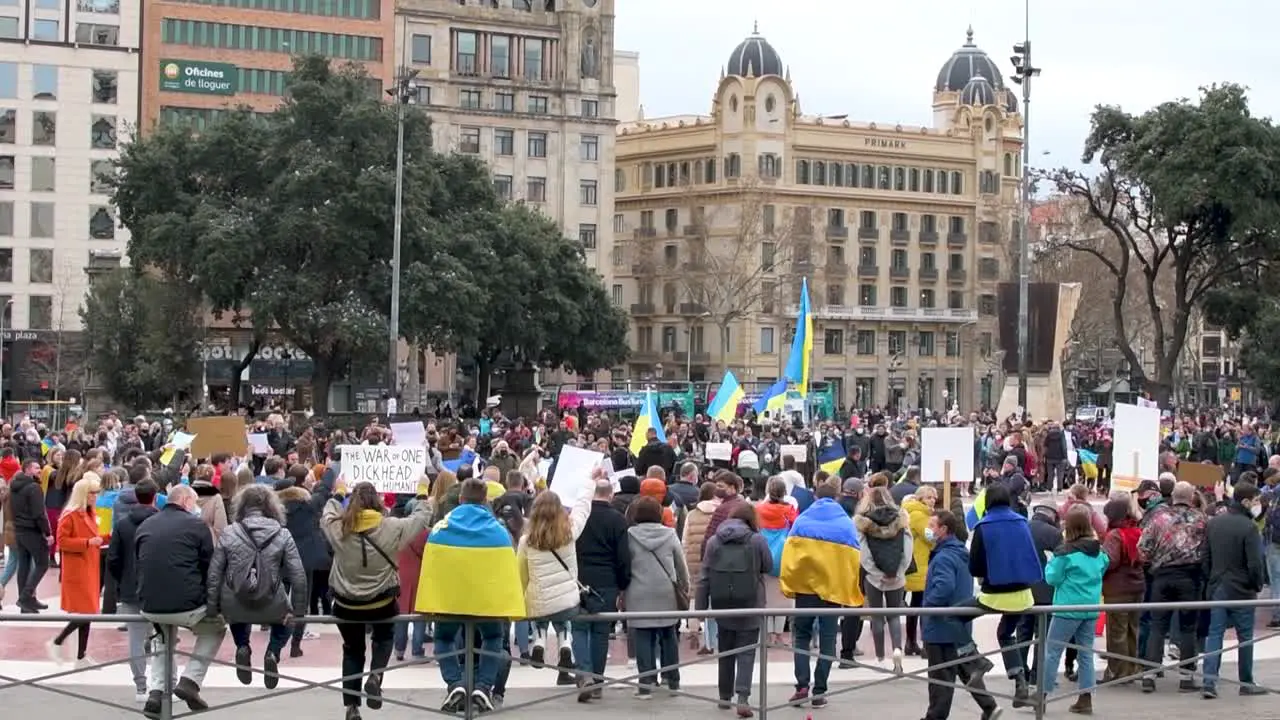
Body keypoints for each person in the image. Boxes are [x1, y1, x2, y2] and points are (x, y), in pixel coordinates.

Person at [322, 480, 432, 720]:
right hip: (381, 602)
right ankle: (375, 676)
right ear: (378, 502)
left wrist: (338, 492)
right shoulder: (392, 527)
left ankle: (352, 706)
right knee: (383, 638)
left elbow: (327, 513)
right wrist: (422, 494)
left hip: (346, 603)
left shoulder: (339, 528)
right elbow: (422, 518)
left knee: (352, 651)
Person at [417, 477, 524, 714]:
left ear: (461, 499)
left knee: (444, 639)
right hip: (487, 603)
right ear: (485, 500)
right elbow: (507, 570)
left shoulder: (440, 529)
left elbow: (431, 568)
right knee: (493, 638)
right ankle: (483, 687)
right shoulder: (499, 532)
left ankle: (455, 683)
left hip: (450, 601)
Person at [135, 484, 226, 719]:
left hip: (149, 604)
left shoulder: (146, 525)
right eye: (195, 503)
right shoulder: (197, 526)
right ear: (186, 501)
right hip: (188, 605)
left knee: (162, 638)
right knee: (215, 629)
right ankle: (191, 680)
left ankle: (156, 690)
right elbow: (211, 567)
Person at [209, 484, 307, 689]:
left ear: (242, 506)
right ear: (272, 507)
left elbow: (214, 573)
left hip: (235, 602)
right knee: (285, 624)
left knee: (238, 613)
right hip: (273, 601)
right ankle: (273, 652)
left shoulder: (229, 532)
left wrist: (213, 609)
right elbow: (298, 576)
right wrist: (298, 612)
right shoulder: (282, 534)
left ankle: (242, 646)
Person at [780, 481, 863, 708]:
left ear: (816, 496)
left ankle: (802, 685)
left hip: (805, 590)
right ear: (836, 497)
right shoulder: (845, 524)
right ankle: (819, 690)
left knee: (802, 637)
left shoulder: (802, 520)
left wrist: (792, 584)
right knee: (827, 640)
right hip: (832, 591)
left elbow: (790, 556)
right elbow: (854, 559)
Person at [921, 510, 1000, 720]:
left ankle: (934, 718)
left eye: (932, 525)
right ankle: (989, 707)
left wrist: (926, 605)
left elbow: (944, 587)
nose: (928, 529)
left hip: (940, 626)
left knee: (941, 679)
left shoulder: (944, 557)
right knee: (965, 670)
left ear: (944, 529)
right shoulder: (960, 553)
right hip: (959, 624)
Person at [517, 481, 593, 686]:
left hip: (539, 600)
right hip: (567, 599)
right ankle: (565, 646)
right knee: (564, 620)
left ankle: (539, 642)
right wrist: (590, 482)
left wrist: (520, 599)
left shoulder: (526, 541)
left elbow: (521, 574)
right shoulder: (569, 534)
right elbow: (582, 509)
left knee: (541, 616)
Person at [699, 502, 771, 717]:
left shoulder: (714, 541)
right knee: (746, 651)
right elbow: (767, 565)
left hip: (722, 603)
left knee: (726, 649)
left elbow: (704, 575)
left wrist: (701, 608)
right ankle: (743, 697)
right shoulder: (756, 539)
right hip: (750, 603)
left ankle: (724, 696)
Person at [1137, 480, 1206, 693]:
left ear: (1173, 496)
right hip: (1190, 576)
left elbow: (1143, 548)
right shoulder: (1201, 519)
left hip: (1162, 576)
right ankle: (1187, 676)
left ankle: (1150, 674)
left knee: (1158, 625)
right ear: (1192, 496)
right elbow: (1206, 549)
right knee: (1187, 627)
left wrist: (1150, 565)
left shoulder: (1158, 518)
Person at [1200, 481, 1268, 699]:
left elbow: (1205, 557)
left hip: (1218, 585)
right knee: (1245, 636)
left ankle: (1209, 681)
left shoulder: (1214, 523)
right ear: (1246, 501)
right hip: (1243, 588)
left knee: (1215, 634)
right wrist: (1256, 585)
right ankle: (1246, 681)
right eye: (1256, 500)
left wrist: (1211, 579)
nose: (1258, 505)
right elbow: (1255, 563)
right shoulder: (1249, 527)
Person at [1041, 505, 1110, 715]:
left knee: (1052, 651)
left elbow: (1052, 578)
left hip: (1067, 608)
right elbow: (1104, 567)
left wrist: (1050, 562)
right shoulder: (1098, 552)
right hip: (1090, 609)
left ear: (1068, 526)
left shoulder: (1065, 553)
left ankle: (1041, 696)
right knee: (1086, 653)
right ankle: (1085, 698)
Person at [969, 483, 1040, 688]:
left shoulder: (983, 526)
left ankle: (976, 661)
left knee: (953, 617)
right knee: (1005, 633)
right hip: (1024, 595)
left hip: (994, 594)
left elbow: (975, 568)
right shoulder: (1022, 523)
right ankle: (1020, 683)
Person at [623, 495, 690, 697]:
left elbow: (624, 565)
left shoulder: (629, 536)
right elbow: (681, 565)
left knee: (643, 636)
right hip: (665, 591)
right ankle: (673, 681)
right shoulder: (669, 534)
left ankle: (646, 683)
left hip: (638, 591)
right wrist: (685, 587)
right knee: (668, 635)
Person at [572, 478, 631, 702]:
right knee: (600, 631)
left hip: (578, 579)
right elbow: (623, 556)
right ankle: (597, 680)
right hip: (607, 580)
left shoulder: (578, 517)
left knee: (578, 628)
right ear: (611, 494)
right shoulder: (617, 519)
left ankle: (584, 673)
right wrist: (623, 585)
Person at [107, 477, 161, 702]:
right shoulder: (160, 522)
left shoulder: (122, 524)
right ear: (155, 497)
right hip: (158, 588)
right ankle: (163, 684)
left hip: (130, 587)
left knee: (135, 640)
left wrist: (122, 581)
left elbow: (113, 558)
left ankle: (141, 687)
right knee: (164, 638)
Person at [48, 474, 106, 666]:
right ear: (83, 494)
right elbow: (62, 542)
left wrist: (107, 537)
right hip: (78, 569)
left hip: (88, 566)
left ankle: (81, 655)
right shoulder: (70, 515)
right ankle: (58, 642)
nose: (95, 497)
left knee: (87, 612)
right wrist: (88, 542)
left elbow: (94, 537)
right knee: (85, 613)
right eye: (92, 494)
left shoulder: (90, 513)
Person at [854, 485, 912, 672]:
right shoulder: (901, 519)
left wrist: (876, 573)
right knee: (894, 616)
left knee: (877, 616)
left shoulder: (863, 522)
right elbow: (908, 548)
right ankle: (897, 652)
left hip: (873, 578)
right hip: (897, 576)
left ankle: (879, 657)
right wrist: (898, 571)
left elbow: (863, 553)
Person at [1100, 497, 1144, 684]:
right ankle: (1132, 668)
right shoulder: (1136, 530)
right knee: (1133, 629)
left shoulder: (1115, 535)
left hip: (1118, 589)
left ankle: (1118, 672)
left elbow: (1110, 561)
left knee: (1117, 632)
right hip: (1137, 586)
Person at [681, 481, 721, 654]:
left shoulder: (691, 514)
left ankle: (693, 630)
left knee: (695, 596)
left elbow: (685, 540)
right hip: (714, 559)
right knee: (713, 599)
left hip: (694, 559)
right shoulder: (721, 513)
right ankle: (712, 639)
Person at [9, 463, 51, 613]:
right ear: (27, 470)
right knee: (42, 563)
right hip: (32, 530)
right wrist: (47, 533)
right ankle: (26, 597)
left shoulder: (14, 487)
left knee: (24, 565)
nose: (40, 471)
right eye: (36, 468)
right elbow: (39, 514)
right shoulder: (33, 488)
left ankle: (26, 601)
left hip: (19, 529)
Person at [901, 485, 936, 657]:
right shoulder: (919, 515)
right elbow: (931, 538)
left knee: (916, 605)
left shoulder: (912, 513)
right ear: (920, 498)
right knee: (922, 607)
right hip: (920, 566)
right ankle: (924, 643)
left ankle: (911, 642)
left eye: (934, 498)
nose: (932, 501)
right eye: (929, 497)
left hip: (917, 565)